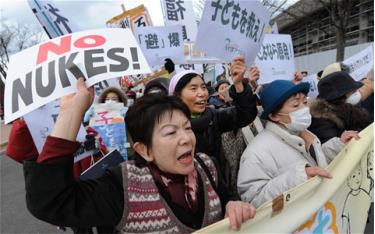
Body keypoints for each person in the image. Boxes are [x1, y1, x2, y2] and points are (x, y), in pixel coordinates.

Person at [24, 79, 256, 232]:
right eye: (170, 132)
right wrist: (71, 112)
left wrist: (233, 205)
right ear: (144, 150)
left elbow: (226, 199)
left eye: (187, 128)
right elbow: (50, 202)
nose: (186, 138)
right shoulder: (122, 187)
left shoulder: (207, 165)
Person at [237, 80, 359, 208]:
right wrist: (300, 177)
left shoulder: (303, 133)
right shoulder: (256, 153)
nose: (304, 109)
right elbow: (253, 200)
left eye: (305, 102)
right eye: (295, 105)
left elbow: (316, 163)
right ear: (273, 116)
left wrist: (338, 145)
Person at [168, 56, 258, 182]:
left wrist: (238, 84)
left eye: (203, 87)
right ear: (177, 95)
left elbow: (245, 114)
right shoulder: (168, 128)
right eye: (193, 88)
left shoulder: (214, 116)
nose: (202, 93)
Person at [309, 71, 372, 144]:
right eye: (353, 91)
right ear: (340, 96)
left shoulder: (349, 108)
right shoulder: (322, 120)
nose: (357, 92)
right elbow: (332, 148)